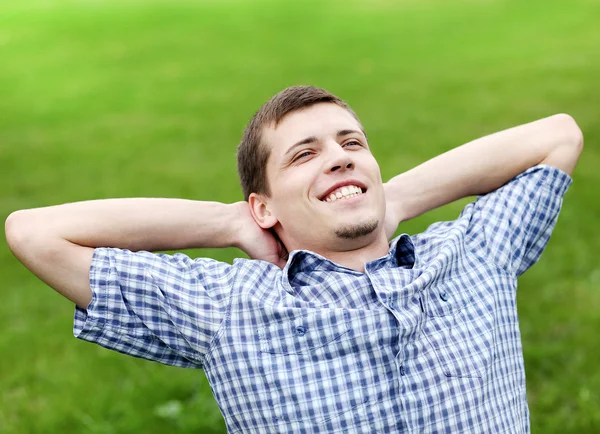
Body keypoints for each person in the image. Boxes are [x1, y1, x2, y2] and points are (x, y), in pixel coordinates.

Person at [5, 86, 583, 433]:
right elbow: (35, 234)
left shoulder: (473, 254)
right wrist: (228, 223)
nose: (339, 159)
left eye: (352, 144)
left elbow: (558, 136)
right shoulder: (227, 308)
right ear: (264, 207)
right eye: (304, 155)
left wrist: (399, 200)